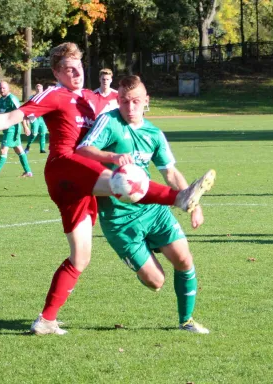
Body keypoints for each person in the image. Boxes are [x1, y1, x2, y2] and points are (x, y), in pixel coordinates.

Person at [0, 42, 216, 335]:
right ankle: (179, 198)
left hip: (84, 183)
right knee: (122, 181)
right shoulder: (54, 95)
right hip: (65, 167)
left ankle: (46, 320)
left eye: (79, 67)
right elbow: (12, 117)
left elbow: (123, 110)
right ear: (56, 72)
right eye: (68, 69)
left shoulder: (92, 100)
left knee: (81, 257)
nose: (76, 73)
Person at [77, 75, 209, 334]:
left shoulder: (154, 134)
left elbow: (170, 173)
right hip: (119, 219)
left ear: (146, 101)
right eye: (124, 101)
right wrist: (113, 157)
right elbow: (83, 149)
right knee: (156, 281)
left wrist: (193, 204)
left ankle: (186, 321)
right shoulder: (110, 121)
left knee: (184, 259)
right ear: (118, 100)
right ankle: (142, 256)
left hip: (153, 210)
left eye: (136, 101)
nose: (130, 107)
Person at [0, 81, 33, 178]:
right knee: (19, 150)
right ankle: (28, 171)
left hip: (12, 128)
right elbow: (0, 114)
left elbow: (21, 113)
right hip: (6, 128)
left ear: (8, 88)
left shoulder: (12, 99)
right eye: (0, 88)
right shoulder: (0, 100)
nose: (1, 90)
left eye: (4, 88)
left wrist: (25, 126)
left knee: (3, 150)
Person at [23, 84, 49, 154]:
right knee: (34, 133)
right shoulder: (32, 98)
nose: (39, 91)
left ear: (42, 90)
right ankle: (28, 146)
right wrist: (27, 119)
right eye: (37, 89)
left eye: (40, 89)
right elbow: (27, 108)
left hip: (42, 117)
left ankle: (42, 149)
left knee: (43, 133)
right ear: (35, 90)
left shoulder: (45, 98)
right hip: (33, 117)